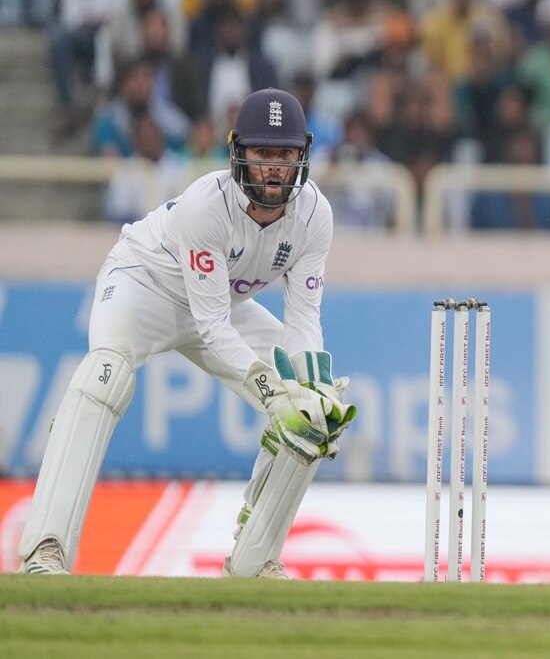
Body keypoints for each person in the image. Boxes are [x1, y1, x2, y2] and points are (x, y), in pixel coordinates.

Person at [18, 88, 356, 578]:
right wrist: (271, 395)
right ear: (238, 151)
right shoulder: (206, 206)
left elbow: (303, 321)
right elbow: (212, 329)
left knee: (311, 406)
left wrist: (306, 392)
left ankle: (254, 562)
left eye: (285, 155)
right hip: (145, 285)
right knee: (103, 376)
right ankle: (45, 549)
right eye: (263, 154)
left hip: (220, 301)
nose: (275, 168)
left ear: (303, 154)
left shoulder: (314, 216)